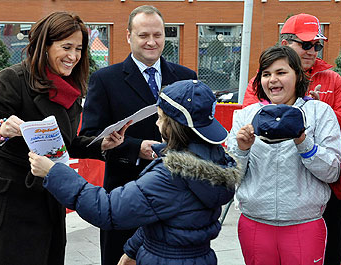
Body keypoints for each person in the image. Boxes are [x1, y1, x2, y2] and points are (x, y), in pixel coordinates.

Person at [29, 79, 240, 265]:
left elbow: (109, 210)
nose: (157, 123)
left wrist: (55, 173)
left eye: (160, 117)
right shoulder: (216, 160)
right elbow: (163, 215)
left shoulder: (170, 175)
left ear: (173, 125)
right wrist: (133, 250)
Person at [0, 11, 129, 265]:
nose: (73, 56)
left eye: (78, 48)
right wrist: (1, 129)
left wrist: (101, 144)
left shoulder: (70, 89)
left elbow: (64, 144)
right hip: (13, 202)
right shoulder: (13, 79)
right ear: (44, 46)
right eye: (66, 47)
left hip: (51, 198)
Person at [79, 5, 197, 265]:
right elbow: (90, 136)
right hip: (124, 197)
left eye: (158, 34)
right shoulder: (105, 80)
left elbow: (196, 131)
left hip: (176, 198)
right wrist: (135, 148)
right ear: (128, 36)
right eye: (144, 35)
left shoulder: (186, 78)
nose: (151, 42)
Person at [242, 13, 341, 264]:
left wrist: (314, 113)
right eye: (306, 44)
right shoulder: (260, 82)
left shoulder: (333, 80)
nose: (313, 51)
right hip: (263, 206)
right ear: (286, 44)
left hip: (322, 195)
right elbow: (257, 124)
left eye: (317, 45)